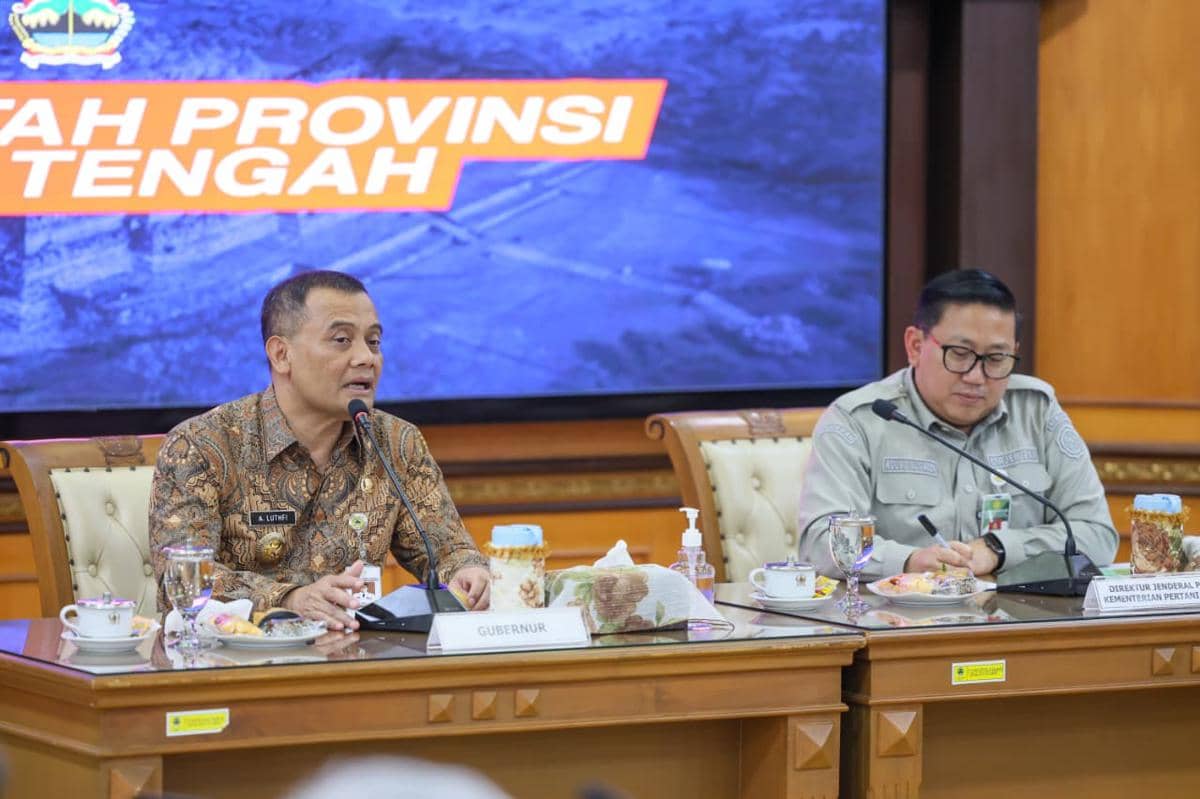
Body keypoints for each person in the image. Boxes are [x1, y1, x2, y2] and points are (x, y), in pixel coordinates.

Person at [150, 270, 491, 630]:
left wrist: (468, 572)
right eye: (342, 340)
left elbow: (448, 550)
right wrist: (289, 599)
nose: (366, 358)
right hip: (238, 658)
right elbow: (181, 580)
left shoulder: (396, 441)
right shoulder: (201, 445)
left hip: (359, 655)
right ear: (281, 354)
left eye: (374, 342)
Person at [797, 269, 1118, 580]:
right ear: (915, 346)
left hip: (1016, 613)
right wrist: (907, 561)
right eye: (960, 354)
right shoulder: (858, 420)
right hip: (899, 613)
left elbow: (1098, 535)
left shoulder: (1037, 411)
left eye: (996, 359)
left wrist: (999, 549)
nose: (976, 377)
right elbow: (820, 541)